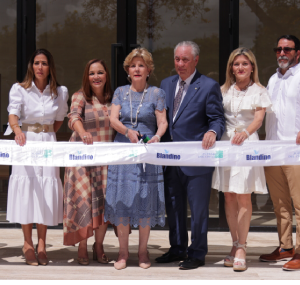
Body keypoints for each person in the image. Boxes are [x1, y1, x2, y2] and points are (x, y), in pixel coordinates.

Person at [156, 41, 225, 270]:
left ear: (195, 60)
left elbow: (216, 118)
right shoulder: (165, 84)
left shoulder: (208, 86)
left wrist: (213, 131)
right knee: (174, 207)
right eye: (177, 59)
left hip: (197, 160)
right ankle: (177, 249)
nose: (180, 64)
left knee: (198, 211)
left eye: (185, 59)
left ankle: (196, 253)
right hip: (171, 160)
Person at [260, 35, 300, 271]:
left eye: (287, 49)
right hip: (274, 149)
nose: (282, 53)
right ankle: (285, 247)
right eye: (278, 49)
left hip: (297, 150)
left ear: (298, 53)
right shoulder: (272, 79)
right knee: (280, 204)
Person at [104, 48, 168, 270]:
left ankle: (142, 252)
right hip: (123, 150)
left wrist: (158, 137)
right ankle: (122, 252)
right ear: (128, 71)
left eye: (141, 65)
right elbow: (113, 119)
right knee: (122, 201)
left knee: (144, 201)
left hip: (146, 153)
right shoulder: (121, 92)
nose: (137, 69)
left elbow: (162, 122)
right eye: (133, 65)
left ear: (148, 70)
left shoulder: (157, 93)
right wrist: (127, 132)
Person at [5, 49, 68, 266]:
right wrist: (17, 130)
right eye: (36, 63)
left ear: (50, 67)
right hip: (26, 142)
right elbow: (13, 113)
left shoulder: (60, 92)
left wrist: (47, 131)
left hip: (48, 143)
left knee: (44, 191)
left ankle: (42, 244)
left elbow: (59, 119)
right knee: (27, 191)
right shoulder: (19, 89)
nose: (39, 67)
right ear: (31, 66)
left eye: (44, 63)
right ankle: (27, 243)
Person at [212, 47, 271, 272]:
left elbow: (258, 119)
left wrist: (244, 134)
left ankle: (242, 248)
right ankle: (234, 243)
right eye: (236, 64)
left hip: (247, 143)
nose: (240, 68)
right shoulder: (223, 90)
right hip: (226, 143)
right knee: (228, 195)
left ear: (252, 67)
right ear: (231, 68)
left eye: (245, 63)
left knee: (244, 196)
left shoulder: (260, 90)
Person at [64, 59, 114, 265]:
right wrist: (83, 132)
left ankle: (99, 245)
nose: (96, 77)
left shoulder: (114, 99)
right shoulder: (80, 96)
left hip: (106, 160)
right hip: (82, 159)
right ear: (87, 76)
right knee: (84, 201)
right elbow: (73, 116)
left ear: (106, 75)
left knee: (103, 203)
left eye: (100, 72)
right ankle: (83, 246)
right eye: (92, 73)